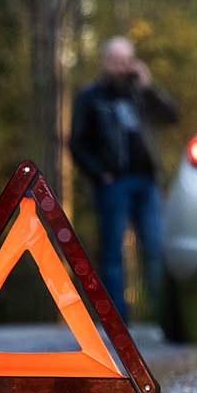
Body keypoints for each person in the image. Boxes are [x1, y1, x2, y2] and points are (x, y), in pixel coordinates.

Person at [69, 36, 178, 324]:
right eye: (117, 61)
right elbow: (76, 143)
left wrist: (149, 88)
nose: (123, 67)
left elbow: (171, 117)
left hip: (147, 182)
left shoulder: (141, 95)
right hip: (113, 184)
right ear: (104, 62)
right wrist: (99, 174)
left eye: (128, 61)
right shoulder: (90, 97)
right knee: (114, 254)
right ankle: (117, 319)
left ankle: (159, 317)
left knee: (155, 249)